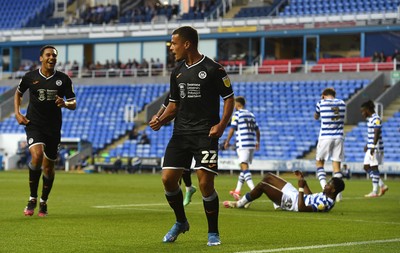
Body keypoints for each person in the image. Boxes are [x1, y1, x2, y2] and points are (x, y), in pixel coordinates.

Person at [149, 26, 234, 246]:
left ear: (187, 44)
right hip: (181, 133)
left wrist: (222, 125)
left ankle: (213, 232)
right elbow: (174, 105)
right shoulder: (176, 71)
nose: (171, 48)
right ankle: (181, 222)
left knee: (205, 184)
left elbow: (229, 98)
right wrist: (160, 120)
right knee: (168, 179)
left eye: (174, 44)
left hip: (205, 134)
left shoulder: (214, 69)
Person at [14, 45, 76, 217]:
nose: (51, 58)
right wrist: (17, 113)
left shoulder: (63, 80)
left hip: (53, 128)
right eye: (48, 55)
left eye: (54, 56)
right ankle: (32, 197)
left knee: (48, 168)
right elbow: (18, 94)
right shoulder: (30, 77)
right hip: (34, 124)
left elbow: (73, 103)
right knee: (36, 155)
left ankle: (43, 201)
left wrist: (65, 103)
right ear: (41, 58)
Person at [151, 94, 197, 206]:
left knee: (184, 168)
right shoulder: (175, 87)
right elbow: (166, 104)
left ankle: (188, 189)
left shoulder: (193, 87)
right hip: (180, 132)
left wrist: (160, 119)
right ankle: (186, 191)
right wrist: (157, 117)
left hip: (197, 131)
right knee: (176, 170)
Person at [223, 170, 345, 212]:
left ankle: (239, 203)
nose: (325, 185)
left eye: (328, 184)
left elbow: (302, 208)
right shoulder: (326, 196)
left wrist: (301, 188)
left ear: (333, 190)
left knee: (263, 186)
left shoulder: (326, 204)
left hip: (293, 203)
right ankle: (273, 203)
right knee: (269, 177)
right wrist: (303, 180)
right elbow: (310, 198)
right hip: (296, 196)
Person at [224, 96, 260, 200]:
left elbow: (232, 129)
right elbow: (258, 131)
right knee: (244, 168)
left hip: (242, 144)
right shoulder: (251, 115)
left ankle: (254, 190)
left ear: (238, 104)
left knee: (244, 166)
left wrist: (227, 141)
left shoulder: (237, 114)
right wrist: (258, 142)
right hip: (251, 144)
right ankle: (237, 190)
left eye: (235, 104)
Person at [314, 87, 346, 201]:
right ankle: (338, 195)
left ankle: (325, 190)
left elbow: (316, 116)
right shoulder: (342, 103)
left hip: (325, 137)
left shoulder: (321, 103)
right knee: (337, 167)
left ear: (323, 95)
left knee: (319, 163)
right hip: (339, 137)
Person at [360, 100, 389, 197]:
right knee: (366, 167)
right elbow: (372, 134)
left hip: (376, 148)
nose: (362, 113)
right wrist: (367, 145)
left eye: (363, 111)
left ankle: (374, 191)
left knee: (374, 167)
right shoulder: (371, 119)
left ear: (367, 110)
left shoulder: (376, 118)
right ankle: (382, 185)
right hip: (371, 146)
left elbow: (377, 133)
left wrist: (372, 146)